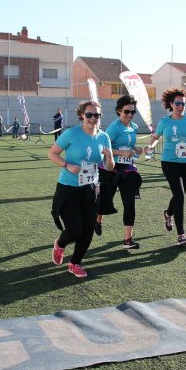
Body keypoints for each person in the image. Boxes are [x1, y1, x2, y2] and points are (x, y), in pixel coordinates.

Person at [48, 100, 114, 278]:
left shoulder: (104, 137)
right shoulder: (71, 133)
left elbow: (109, 167)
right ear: (82, 115)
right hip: (69, 188)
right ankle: (60, 244)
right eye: (89, 115)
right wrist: (67, 165)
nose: (93, 118)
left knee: (88, 229)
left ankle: (75, 263)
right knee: (75, 230)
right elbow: (52, 153)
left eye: (97, 115)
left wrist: (109, 157)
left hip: (92, 187)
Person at [146, 87, 186, 246]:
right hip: (169, 162)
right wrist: (151, 145)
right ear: (171, 104)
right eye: (178, 103)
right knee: (180, 196)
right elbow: (156, 136)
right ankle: (181, 235)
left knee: (180, 195)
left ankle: (168, 213)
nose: (180, 106)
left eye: (183, 104)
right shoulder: (165, 121)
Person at [96, 95, 144, 249]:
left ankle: (127, 240)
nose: (129, 115)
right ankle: (97, 220)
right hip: (109, 168)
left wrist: (136, 150)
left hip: (128, 170)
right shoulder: (114, 127)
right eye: (126, 112)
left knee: (129, 203)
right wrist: (121, 153)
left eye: (132, 112)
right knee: (105, 200)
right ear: (119, 111)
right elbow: (103, 149)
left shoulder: (134, 127)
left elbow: (129, 147)